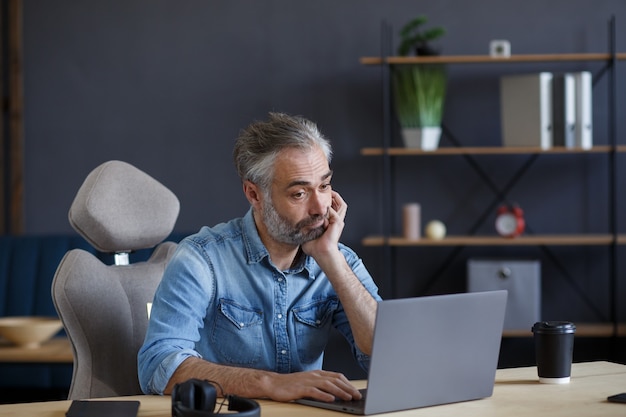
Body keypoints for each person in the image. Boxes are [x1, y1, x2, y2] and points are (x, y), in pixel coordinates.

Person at [138, 112, 381, 403]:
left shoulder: (340, 260)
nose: (320, 207)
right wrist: (269, 384)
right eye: (299, 193)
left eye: (325, 186)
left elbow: (386, 357)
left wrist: (332, 260)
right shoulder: (202, 258)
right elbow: (158, 364)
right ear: (254, 194)